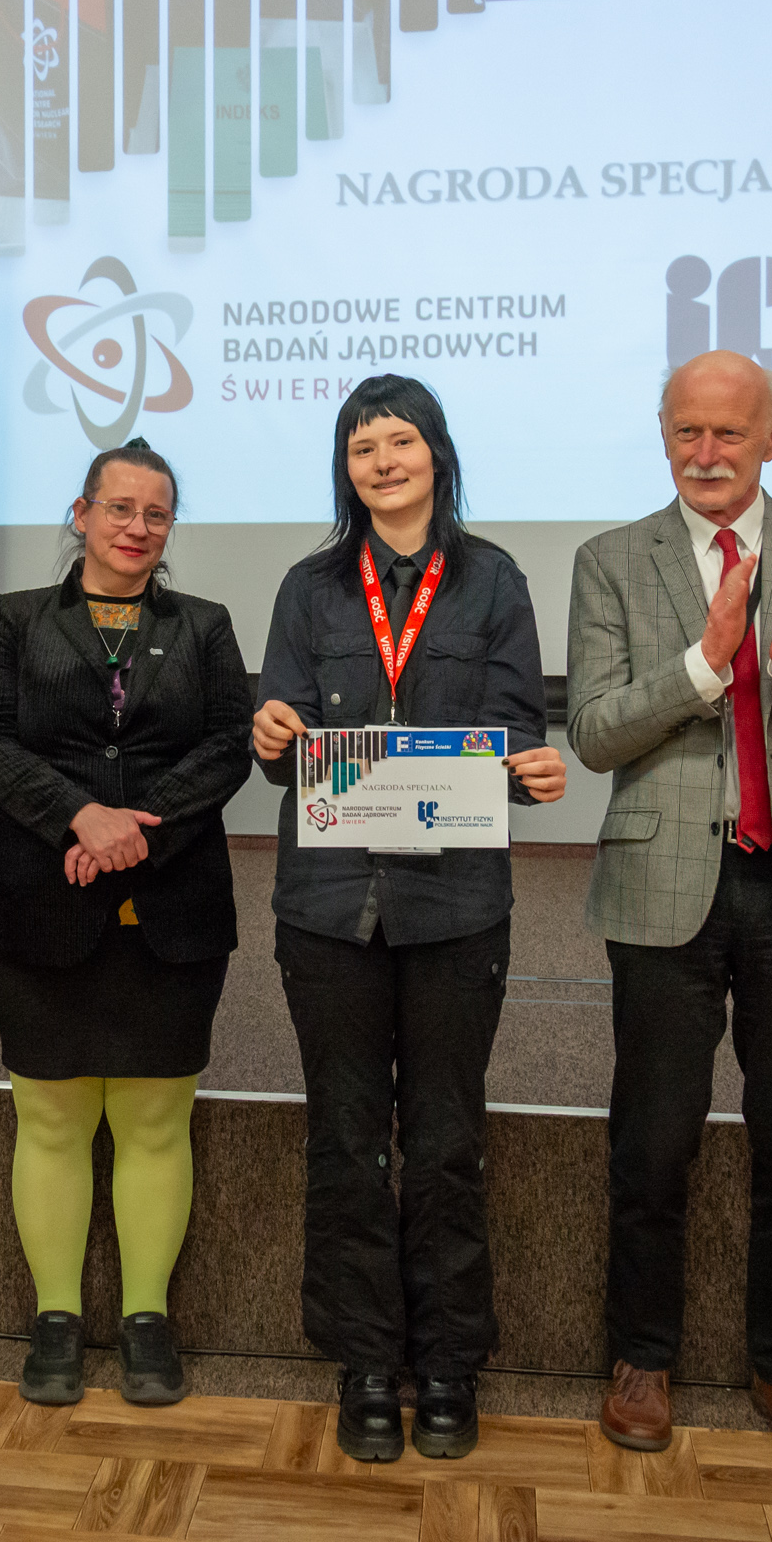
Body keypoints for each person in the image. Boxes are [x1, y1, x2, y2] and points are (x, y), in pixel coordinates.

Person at [565, 349, 772, 1471]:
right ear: (663, 434)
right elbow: (595, 732)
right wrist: (706, 666)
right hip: (663, 885)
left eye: (729, 433)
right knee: (651, 1143)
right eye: (685, 432)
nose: (705, 454)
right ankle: (641, 1357)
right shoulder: (611, 560)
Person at [250, 375, 566, 1463]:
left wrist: (533, 769)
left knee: (444, 1142)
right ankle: (363, 1363)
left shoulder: (494, 580)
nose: (383, 461)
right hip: (330, 908)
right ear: (346, 469)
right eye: (362, 447)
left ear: (437, 453)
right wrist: (271, 733)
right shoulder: (308, 587)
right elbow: (280, 740)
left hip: (455, 906)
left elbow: (517, 732)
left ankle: (447, 1363)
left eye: (401, 440)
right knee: (345, 1142)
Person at [0, 438, 253, 1408]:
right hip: (39, 899)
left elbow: (227, 748)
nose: (137, 527)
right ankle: (55, 1319)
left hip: (173, 906)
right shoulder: (15, 619)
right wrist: (79, 816)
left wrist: (134, 828)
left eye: (155, 513)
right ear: (81, 514)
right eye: (119, 508)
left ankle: (145, 1320)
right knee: (50, 1116)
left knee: (155, 1119)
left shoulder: (205, 625)